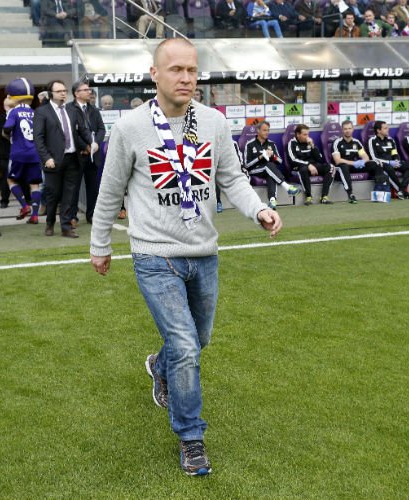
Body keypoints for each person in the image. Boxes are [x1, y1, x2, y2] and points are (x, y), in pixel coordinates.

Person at [89, 38, 283, 476]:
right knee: (186, 346)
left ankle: (159, 365)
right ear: (154, 74)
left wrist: (259, 209)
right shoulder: (129, 128)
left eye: (192, 70)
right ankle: (191, 437)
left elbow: (232, 179)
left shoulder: (213, 122)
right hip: (154, 257)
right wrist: (99, 245)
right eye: (175, 69)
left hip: (204, 254)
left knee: (198, 341)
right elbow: (109, 191)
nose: (186, 78)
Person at [33, 79, 93, 238]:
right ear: (51, 94)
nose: (63, 93)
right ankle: (50, 222)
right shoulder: (42, 112)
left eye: (64, 91)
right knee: (53, 194)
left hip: (73, 158)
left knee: (69, 194)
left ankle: (66, 226)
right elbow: (38, 138)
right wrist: (46, 158)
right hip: (53, 161)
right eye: (59, 91)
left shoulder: (72, 110)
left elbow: (82, 131)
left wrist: (91, 142)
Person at [1, 78, 42, 225]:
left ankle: (25, 206)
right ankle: (35, 215)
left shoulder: (14, 112)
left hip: (18, 152)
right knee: (34, 184)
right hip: (34, 153)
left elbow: (7, 128)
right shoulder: (34, 112)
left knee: (10, 179)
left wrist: (6, 134)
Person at [68, 80, 106, 225]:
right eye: (85, 90)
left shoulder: (94, 110)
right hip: (77, 155)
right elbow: (71, 132)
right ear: (76, 93)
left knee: (93, 187)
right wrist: (85, 146)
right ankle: (72, 216)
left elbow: (101, 129)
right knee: (74, 188)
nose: (89, 92)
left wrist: (96, 144)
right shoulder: (69, 109)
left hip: (93, 155)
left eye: (89, 89)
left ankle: (92, 215)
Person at [244, 121, 301, 209]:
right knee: (269, 166)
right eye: (264, 130)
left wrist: (273, 156)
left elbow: (280, 161)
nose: (267, 132)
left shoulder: (271, 144)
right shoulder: (250, 144)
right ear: (258, 131)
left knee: (270, 172)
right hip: (254, 170)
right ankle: (287, 187)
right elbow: (247, 165)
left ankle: (272, 201)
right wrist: (260, 157)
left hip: (269, 170)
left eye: (268, 130)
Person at [331, 120, 385, 203]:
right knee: (343, 166)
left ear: (353, 129)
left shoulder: (356, 142)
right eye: (345, 129)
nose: (347, 131)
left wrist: (362, 162)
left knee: (375, 163)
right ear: (342, 130)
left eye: (349, 128)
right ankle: (350, 194)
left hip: (354, 166)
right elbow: (337, 160)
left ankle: (379, 192)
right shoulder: (337, 142)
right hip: (341, 169)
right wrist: (354, 163)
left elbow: (366, 157)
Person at [287, 123, 335, 205]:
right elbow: (293, 160)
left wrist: (312, 146)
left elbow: (319, 159)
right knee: (303, 169)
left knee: (331, 167)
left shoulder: (309, 142)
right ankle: (308, 197)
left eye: (308, 134)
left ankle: (324, 197)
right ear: (298, 134)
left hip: (313, 166)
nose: (307, 136)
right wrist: (308, 165)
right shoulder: (292, 143)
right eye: (304, 134)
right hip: (299, 167)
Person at [367, 121, 409, 199]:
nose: (388, 130)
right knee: (389, 168)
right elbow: (374, 158)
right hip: (382, 164)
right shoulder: (372, 141)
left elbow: (395, 153)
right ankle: (403, 192)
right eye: (385, 128)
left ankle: (402, 191)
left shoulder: (390, 140)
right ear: (378, 130)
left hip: (393, 162)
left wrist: (396, 161)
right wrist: (389, 162)